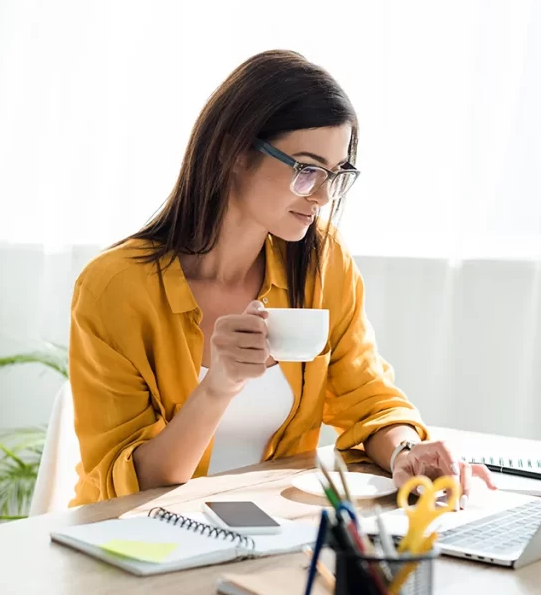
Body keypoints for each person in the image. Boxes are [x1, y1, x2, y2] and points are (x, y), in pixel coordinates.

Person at [68, 50, 494, 508]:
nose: (324, 196)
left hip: (273, 533)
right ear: (234, 151)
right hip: (139, 542)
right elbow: (133, 485)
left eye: (336, 174)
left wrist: (406, 451)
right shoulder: (115, 288)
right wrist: (219, 386)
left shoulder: (322, 260)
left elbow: (366, 397)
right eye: (307, 170)